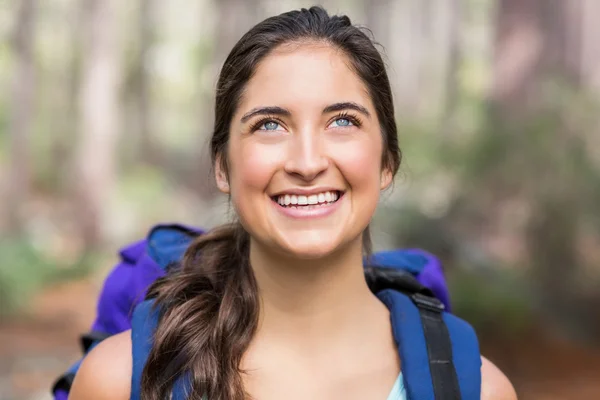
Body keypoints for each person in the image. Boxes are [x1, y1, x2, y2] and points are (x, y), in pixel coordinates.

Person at [70, 6, 517, 400]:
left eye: (342, 121)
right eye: (270, 125)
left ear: (387, 162)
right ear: (223, 167)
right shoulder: (121, 380)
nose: (307, 162)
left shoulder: (478, 390)